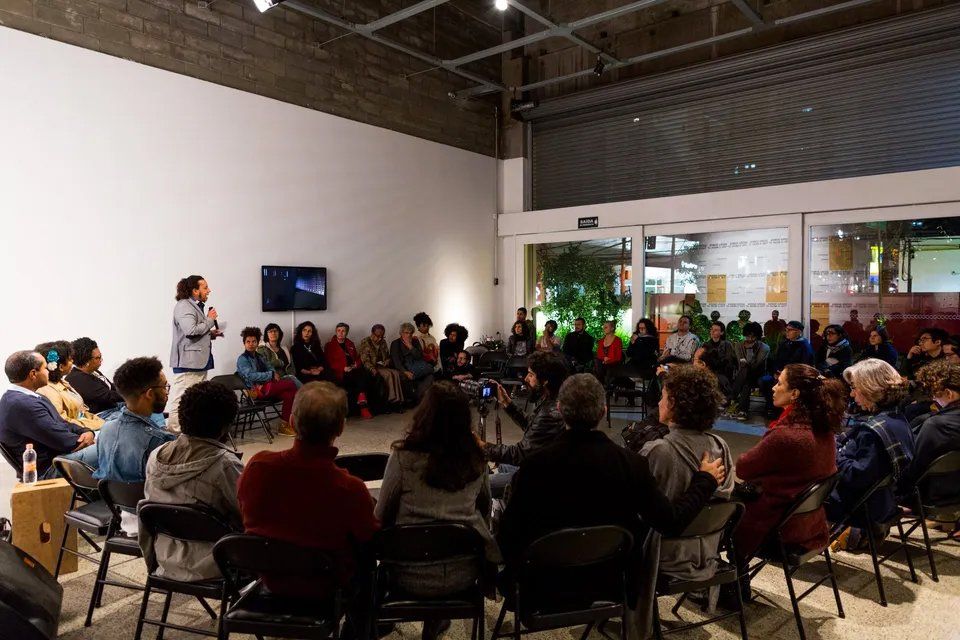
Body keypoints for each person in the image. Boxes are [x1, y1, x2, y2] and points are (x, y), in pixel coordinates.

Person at [497, 374, 726, 620]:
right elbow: (670, 521)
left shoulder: (534, 467)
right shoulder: (632, 465)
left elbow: (508, 540)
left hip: (539, 587)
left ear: (560, 410)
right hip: (609, 583)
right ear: (604, 411)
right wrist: (705, 480)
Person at [376, 382, 500, 640]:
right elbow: (485, 509)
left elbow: (381, 516)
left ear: (425, 414)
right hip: (463, 574)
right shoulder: (477, 458)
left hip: (406, 573)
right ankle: (436, 621)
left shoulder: (402, 458)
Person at [238, 381, 379, 599]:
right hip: (327, 586)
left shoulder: (257, 466)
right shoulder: (350, 488)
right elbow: (368, 536)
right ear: (341, 427)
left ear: (292, 422)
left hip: (271, 577)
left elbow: (244, 510)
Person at [730, 364, 845, 601]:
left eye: (780, 383)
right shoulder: (824, 430)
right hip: (809, 525)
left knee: (716, 510)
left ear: (795, 394)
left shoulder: (787, 436)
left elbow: (742, 467)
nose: (773, 387)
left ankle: (727, 588)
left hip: (777, 529)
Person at [636, 365, 734, 637]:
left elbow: (641, 512)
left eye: (663, 396)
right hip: (708, 551)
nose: (658, 401)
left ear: (674, 403)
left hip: (664, 557)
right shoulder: (720, 446)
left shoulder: (659, 451)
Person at [140, 381, 243, 582]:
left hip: (165, 558)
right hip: (217, 562)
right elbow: (250, 515)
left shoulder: (156, 456)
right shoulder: (225, 465)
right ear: (225, 426)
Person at [827, 360, 914, 534]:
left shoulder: (872, 431)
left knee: (796, 496)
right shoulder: (898, 419)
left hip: (863, 509)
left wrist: (834, 452)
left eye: (854, 388)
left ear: (871, 389)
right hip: (883, 501)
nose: (852, 395)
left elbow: (856, 476)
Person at [482, 351, 568, 498]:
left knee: (484, 485)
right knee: (502, 466)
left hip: (543, 477)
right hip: (543, 464)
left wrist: (482, 447)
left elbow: (520, 454)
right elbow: (532, 425)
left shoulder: (551, 412)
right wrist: (507, 403)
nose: (526, 378)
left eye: (531, 374)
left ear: (545, 380)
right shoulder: (550, 399)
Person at [0, 351, 97, 478]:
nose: (48, 372)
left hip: (58, 457)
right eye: (45, 368)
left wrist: (86, 431)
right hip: (50, 468)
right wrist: (87, 438)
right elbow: (65, 442)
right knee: (113, 449)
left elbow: (62, 423)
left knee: (112, 443)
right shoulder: (22, 405)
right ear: (33, 374)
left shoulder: (29, 397)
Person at [93, 357, 175, 483]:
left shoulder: (106, 429)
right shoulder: (161, 441)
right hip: (145, 501)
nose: (166, 392)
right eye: (164, 386)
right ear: (150, 394)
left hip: (109, 501)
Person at [166, 275, 222, 433]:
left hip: (197, 363)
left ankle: (189, 434)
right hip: (187, 364)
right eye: (205, 287)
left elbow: (192, 332)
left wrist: (210, 334)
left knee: (193, 401)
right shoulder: (184, 306)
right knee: (181, 401)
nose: (209, 290)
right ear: (195, 290)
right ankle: (174, 435)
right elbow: (190, 331)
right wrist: (210, 320)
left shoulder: (193, 306)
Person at [908, 360, 960, 507]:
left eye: (935, 394)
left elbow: (915, 468)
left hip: (931, 497)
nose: (932, 399)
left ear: (949, 394)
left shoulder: (936, 425)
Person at [237, 326, 299, 434]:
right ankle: (291, 421)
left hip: (267, 387)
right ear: (244, 343)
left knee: (289, 393)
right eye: (248, 342)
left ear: (257, 343)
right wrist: (270, 375)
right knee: (291, 384)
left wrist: (272, 373)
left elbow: (270, 367)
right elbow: (251, 376)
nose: (251, 344)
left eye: (254, 341)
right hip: (254, 391)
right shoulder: (243, 359)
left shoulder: (260, 356)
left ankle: (284, 426)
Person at [34, 341, 105, 431]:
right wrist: (97, 424)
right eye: (70, 359)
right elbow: (63, 422)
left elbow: (82, 412)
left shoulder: (61, 382)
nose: (73, 362)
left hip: (89, 425)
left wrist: (99, 421)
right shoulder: (47, 391)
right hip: (80, 433)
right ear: (60, 367)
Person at [758, 320, 815, 416]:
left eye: (790, 330)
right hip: (780, 373)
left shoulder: (805, 346)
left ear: (798, 332)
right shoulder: (784, 343)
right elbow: (776, 359)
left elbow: (804, 366)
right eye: (786, 330)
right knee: (764, 381)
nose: (787, 332)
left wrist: (786, 373)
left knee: (782, 384)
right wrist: (775, 371)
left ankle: (780, 408)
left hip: (794, 375)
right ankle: (771, 405)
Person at [325, 323, 376, 417]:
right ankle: (363, 406)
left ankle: (362, 400)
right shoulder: (330, 345)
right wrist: (342, 368)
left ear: (347, 333)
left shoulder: (350, 343)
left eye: (343, 331)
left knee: (364, 372)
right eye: (338, 331)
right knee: (357, 376)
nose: (340, 333)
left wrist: (354, 366)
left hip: (352, 369)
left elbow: (357, 358)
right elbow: (329, 362)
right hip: (340, 372)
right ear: (336, 332)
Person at [65, 337, 124, 418]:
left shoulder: (93, 371)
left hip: (114, 407)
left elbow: (113, 388)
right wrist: (132, 394)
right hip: (103, 414)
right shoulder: (78, 379)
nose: (101, 360)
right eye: (98, 358)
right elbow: (109, 396)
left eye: (100, 356)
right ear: (86, 362)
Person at [729, 321, 770, 420]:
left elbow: (755, 365)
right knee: (746, 381)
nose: (750, 339)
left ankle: (732, 399)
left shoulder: (764, 348)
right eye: (747, 336)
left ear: (757, 336)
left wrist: (750, 350)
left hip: (758, 374)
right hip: (745, 374)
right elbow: (741, 364)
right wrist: (745, 362)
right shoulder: (738, 345)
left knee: (747, 374)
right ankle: (742, 410)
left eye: (753, 337)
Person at [359, 324, 405, 408]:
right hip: (372, 366)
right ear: (372, 334)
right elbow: (365, 360)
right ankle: (391, 400)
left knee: (395, 373)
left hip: (382, 365)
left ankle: (398, 401)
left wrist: (387, 360)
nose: (380, 338)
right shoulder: (365, 342)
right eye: (377, 336)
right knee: (388, 375)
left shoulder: (383, 342)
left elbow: (387, 355)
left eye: (382, 336)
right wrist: (372, 368)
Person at [391, 322, 434, 402]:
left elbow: (420, 356)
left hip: (418, 363)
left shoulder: (415, 341)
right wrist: (405, 371)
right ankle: (416, 398)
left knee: (430, 374)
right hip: (406, 365)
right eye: (406, 333)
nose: (408, 335)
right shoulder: (395, 343)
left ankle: (418, 397)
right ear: (401, 333)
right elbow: (396, 361)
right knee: (426, 371)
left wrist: (411, 347)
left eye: (410, 333)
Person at [693, 322, 737, 400]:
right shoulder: (706, 345)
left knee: (718, 380)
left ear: (722, 332)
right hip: (708, 371)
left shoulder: (727, 344)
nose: (712, 331)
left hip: (723, 372)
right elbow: (701, 360)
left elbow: (729, 362)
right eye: (712, 329)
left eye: (716, 330)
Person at [291, 320, 330, 384]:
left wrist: (318, 370)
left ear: (312, 333)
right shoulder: (295, 348)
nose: (307, 333)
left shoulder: (316, 346)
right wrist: (310, 372)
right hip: (304, 374)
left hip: (318, 371)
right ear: (300, 332)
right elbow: (297, 367)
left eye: (309, 331)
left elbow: (323, 361)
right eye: (304, 330)